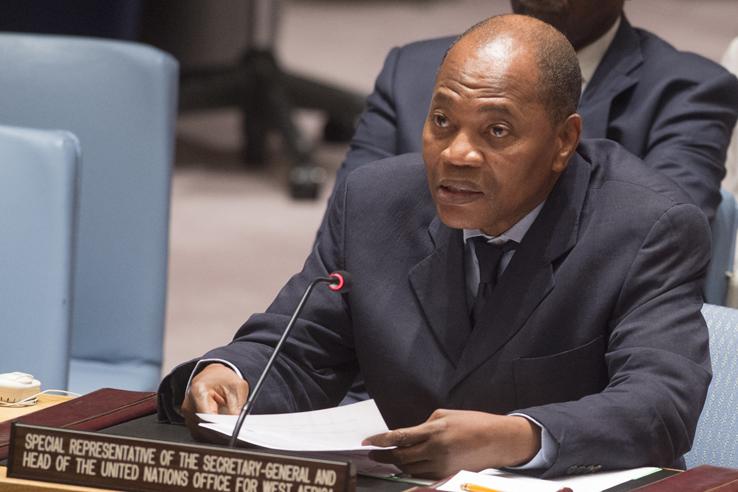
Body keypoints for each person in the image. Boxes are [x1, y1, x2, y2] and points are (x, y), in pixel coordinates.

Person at [159, 15, 711, 479]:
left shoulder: (646, 227)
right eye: (442, 121)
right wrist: (232, 374)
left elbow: (660, 405)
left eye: (496, 131)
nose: (456, 154)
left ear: (564, 141)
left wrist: (517, 438)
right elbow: (300, 350)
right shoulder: (374, 203)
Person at [331, 0, 738, 223]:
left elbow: (665, 237)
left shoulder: (689, 89)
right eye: (442, 121)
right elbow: (350, 231)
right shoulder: (411, 71)